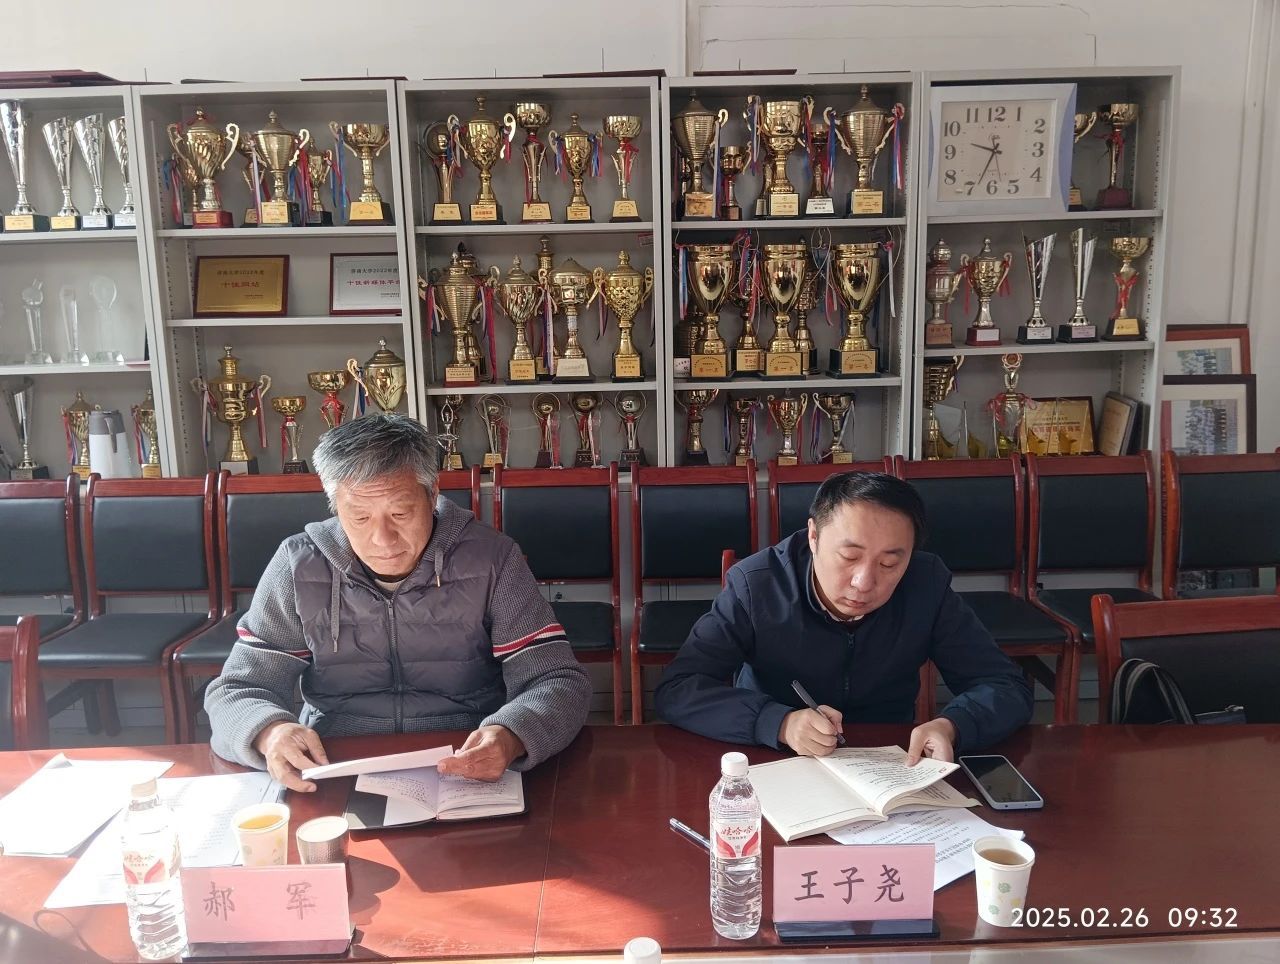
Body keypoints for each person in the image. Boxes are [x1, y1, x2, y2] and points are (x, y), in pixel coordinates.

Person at [206, 414, 591, 791]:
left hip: (465, 760)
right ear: (335, 505)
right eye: (359, 517)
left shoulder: (492, 559)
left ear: (433, 493)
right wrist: (269, 732)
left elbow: (557, 680)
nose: (383, 540)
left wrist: (512, 734)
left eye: (400, 513)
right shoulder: (298, 566)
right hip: (336, 762)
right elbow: (238, 688)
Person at [654, 471, 1033, 763]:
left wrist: (953, 726)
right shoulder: (757, 586)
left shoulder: (926, 585)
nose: (864, 582)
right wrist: (778, 723)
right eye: (849, 557)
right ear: (814, 537)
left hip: (888, 758)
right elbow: (679, 688)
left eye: (889, 563)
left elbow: (1005, 685)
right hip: (775, 756)